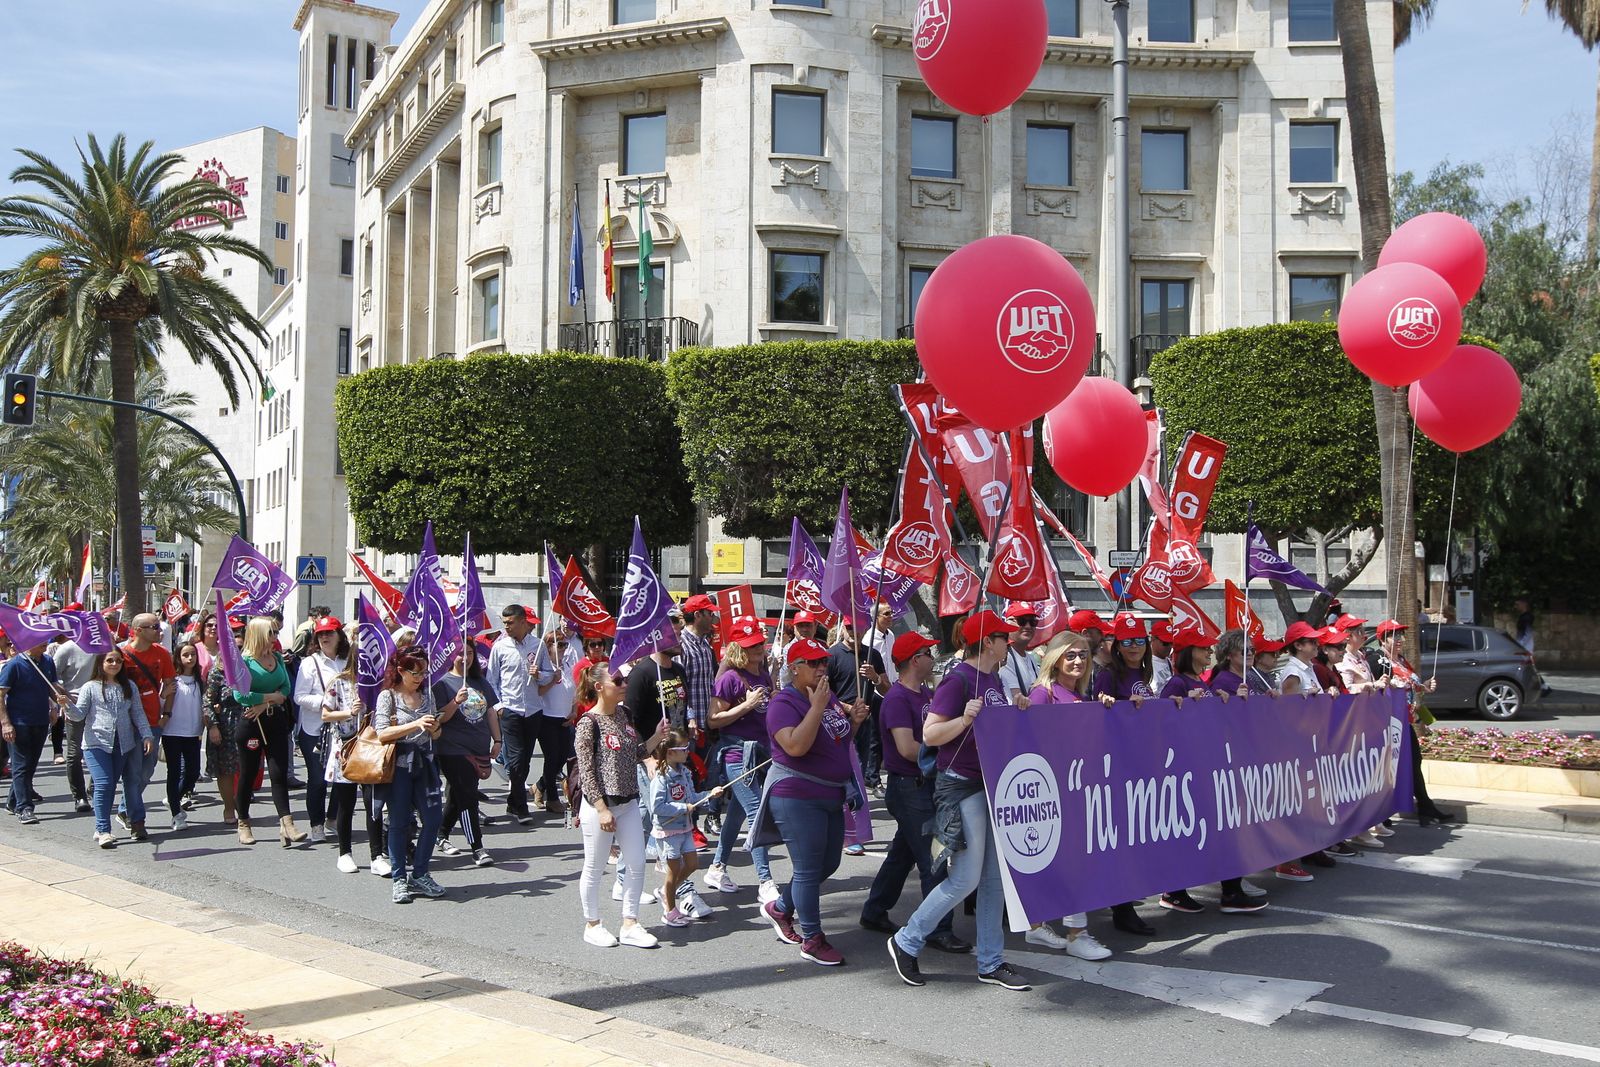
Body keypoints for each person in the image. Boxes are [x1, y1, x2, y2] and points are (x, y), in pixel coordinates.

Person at [888, 610, 1031, 991]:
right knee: (965, 879)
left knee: (993, 881)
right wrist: (965, 720)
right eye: (1004, 636)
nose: (1010, 641)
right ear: (987, 641)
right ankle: (906, 940)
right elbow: (932, 734)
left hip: (989, 786)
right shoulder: (958, 680)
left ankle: (991, 962)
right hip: (962, 786)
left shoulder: (995, 678)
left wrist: (1016, 710)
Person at [749, 637, 870, 967]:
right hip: (797, 796)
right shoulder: (783, 703)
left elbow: (837, 741)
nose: (821, 668)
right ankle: (813, 939)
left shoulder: (827, 698)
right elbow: (795, 747)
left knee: (828, 864)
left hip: (830, 793)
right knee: (807, 869)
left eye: (824, 662)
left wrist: (854, 722)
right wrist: (817, 707)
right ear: (795, 668)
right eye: (813, 663)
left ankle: (781, 908)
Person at [859, 631, 973, 955]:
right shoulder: (897, 698)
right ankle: (939, 928)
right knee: (932, 859)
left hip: (924, 786)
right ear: (914, 660)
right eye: (927, 652)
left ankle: (874, 910)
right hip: (908, 786)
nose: (932, 657)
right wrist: (945, 745)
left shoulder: (925, 693)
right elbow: (907, 749)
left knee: (902, 855)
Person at [1020, 633, 1115, 958]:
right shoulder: (1042, 694)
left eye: (1084, 654)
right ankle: (1076, 934)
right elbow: (1028, 743)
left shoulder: (1082, 695)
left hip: (1079, 791)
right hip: (1054, 794)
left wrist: (1103, 712)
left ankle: (1039, 926)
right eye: (1071, 655)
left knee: (1071, 864)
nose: (1079, 660)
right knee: (1074, 864)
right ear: (1055, 657)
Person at [574, 664, 659, 948]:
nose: (624, 685)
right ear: (599, 686)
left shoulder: (624, 714)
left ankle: (630, 923)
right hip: (601, 805)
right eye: (618, 680)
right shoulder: (588, 723)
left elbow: (636, 753)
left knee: (636, 863)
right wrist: (601, 809)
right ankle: (592, 924)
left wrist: (658, 736)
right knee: (595, 866)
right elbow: (587, 771)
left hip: (628, 800)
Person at [703, 616, 780, 902]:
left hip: (761, 753)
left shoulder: (763, 674)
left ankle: (717, 867)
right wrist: (746, 706)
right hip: (737, 754)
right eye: (752, 645)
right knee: (757, 812)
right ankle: (765, 880)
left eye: (760, 642)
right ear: (738, 649)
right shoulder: (729, 679)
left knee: (737, 812)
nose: (758, 648)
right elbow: (713, 720)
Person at [373, 649, 446, 903]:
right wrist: (414, 724)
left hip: (425, 765)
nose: (420, 677)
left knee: (433, 818)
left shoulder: (427, 695)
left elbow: (435, 736)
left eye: (424, 672)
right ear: (401, 671)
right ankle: (399, 879)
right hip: (399, 767)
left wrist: (435, 727)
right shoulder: (388, 696)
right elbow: (381, 733)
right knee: (398, 823)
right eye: (415, 672)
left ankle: (421, 873)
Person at [230, 616, 307, 848]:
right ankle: (243, 821)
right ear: (259, 634)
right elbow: (240, 695)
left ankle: (287, 823)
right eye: (271, 632)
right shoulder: (244, 661)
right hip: (251, 723)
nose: (275, 637)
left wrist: (266, 703)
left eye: (276, 632)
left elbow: (286, 688)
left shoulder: (276, 658)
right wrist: (270, 697)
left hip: (275, 719)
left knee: (278, 772)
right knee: (249, 773)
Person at [69, 650, 155, 847]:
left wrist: (147, 735)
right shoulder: (90, 687)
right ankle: (103, 829)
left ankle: (101, 827)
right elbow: (78, 715)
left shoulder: (128, 686)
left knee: (110, 786)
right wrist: (67, 706)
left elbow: (138, 714)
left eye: (118, 661)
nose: (114, 664)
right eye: (110, 660)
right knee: (104, 783)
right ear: (101, 663)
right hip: (96, 744)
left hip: (122, 745)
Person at [1373, 619, 1453, 826]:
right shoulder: (1379, 661)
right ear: (1382, 639)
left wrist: (1424, 686)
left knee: (1413, 762)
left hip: (1404, 720)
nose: (1399, 640)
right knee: (1387, 767)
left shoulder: (1401, 660)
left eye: (1400, 635)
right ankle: (1384, 812)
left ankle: (1425, 807)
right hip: (1387, 723)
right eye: (1394, 635)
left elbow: (1411, 685)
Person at [432, 641, 501, 867]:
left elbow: (490, 711)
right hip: (452, 749)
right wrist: (455, 702)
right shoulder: (442, 683)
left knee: (459, 795)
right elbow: (438, 717)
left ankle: (440, 834)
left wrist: (497, 740)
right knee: (468, 797)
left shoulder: (480, 681)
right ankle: (477, 847)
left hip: (479, 747)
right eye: (460, 653)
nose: (465, 657)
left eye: (469, 653)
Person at [647, 728, 724, 926]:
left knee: (692, 864)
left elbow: (692, 798)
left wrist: (709, 794)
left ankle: (666, 892)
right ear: (671, 752)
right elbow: (657, 807)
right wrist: (683, 808)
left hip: (685, 828)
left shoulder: (685, 773)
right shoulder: (661, 778)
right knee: (672, 871)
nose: (688, 751)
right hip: (669, 830)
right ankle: (670, 911)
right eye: (684, 748)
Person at [486, 604, 554, 826]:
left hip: (533, 710)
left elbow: (549, 675)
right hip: (511, 710)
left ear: (523, 622)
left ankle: (512, 801)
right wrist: (499, 707)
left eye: (510, 622)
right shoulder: (500, 647)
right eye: (504, 623)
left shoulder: (538, 645)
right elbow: (492, 681)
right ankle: (522, 807)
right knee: (515, 759)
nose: (506, 627)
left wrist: (540, 674)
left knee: (524, 760)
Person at [321, 653, 387, 874]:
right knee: (346, 803)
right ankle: (345, 852)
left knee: (372, 803)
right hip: (347, 749)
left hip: (371, 748)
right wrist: (350, 711)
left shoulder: (380, 684)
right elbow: (325, 714)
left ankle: (377, 855)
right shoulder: (339, 682)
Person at [293, 616, 348, 842]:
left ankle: (332, 818)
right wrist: (325, 701)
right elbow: (299, 697)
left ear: (339, 636)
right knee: (317, 779)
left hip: (343, 727)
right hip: (315, 729)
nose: (325, 637)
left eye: (330, 633)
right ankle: (316, 824)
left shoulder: (348, 660)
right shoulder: (310, 663)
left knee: (343, 777)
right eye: (321, 634)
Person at [0, 639, 66, 825]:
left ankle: (13, 801)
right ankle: (25, 807)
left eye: (45, 640)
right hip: (19, 722)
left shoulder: (46, 661)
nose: (45, 644)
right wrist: (6, 723)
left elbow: (51, 687)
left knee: (30, 765)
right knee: (21, 765)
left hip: (40, 720)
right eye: (39, 641)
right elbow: (1, 694)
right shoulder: (13, 665)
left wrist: (57, 702)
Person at [118, 613, 176, 823]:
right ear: (139, 630)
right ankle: (130, 814)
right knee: (132, 771)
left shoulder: (162, 654)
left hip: (153, 721)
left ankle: (126, 807)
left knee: (146, 771)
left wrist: (166, 714)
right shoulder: (121, 655)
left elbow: (171, 687)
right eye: (154, 627)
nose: (159, 631)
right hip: (127, 722)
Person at [827, 618, 888, 801]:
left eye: (859, 626)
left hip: (865, 720)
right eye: (849, 627)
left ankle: (857, 805)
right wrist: (848, 708)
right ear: (842, 629)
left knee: (860, 763)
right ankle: (842, 802)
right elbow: (824, 692)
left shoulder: (873, 655)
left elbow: (887, 688)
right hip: (840, 719)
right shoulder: (832, 655)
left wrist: (875, 677)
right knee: (841, 763)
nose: (854, 631)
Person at [533, 618, 580, 816]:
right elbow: (539, 692)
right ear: (548, 647)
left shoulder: (569, 664)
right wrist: (553, 678)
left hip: (565, 717)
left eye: (565, 645)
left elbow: (576, 689)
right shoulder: (542, 668)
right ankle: (552, 798)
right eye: (559, 645)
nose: (563, 648)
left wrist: (574, 710)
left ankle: (539, 786)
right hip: (547, 717)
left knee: (563, 757)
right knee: (552, 758)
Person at [161, 642, 207, 831]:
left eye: (193, 655)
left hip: (193, 732)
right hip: (172, 732)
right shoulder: (172, 681)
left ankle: (174, 798)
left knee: (193, 772)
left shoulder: (199, 682)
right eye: (185, 655)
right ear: (178, 658)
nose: (190, 658)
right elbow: (160, 701)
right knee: (174, 772)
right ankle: (176, 814)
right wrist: (164, 694)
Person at [205, 618, 247, 826]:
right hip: (225, 725)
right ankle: (229, 807)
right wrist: (212, 725)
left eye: (240, 648)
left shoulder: (247, 670)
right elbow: (208, 702)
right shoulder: (217, 673)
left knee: (246, 768)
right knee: (226, 770)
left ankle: (243, 806)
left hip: (247, 721)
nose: (237, 652)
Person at [51, 632, 96, 813]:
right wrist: (66, 697)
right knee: (75, 752)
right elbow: (52, 679)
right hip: (74, 706)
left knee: (101, 749)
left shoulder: (103, 647)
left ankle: (95, 788)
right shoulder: (66, 649)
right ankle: (79, 796)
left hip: (100, 707)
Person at [677, 594, 720, 742]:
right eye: (710, 614)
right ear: (697, 615)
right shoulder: (681, 645)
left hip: (708, 725)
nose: (713, 618)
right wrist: (691, 718)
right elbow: (679, 687)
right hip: (691, 728)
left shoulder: (706, 645)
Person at [1093, 614, 1156, 704]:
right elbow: (1099, 713)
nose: (1134, 646)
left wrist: (1171, 702)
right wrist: (1127, 705)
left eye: (1139, 641)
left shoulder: (1144, 672)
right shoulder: (1107, 676)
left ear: (1146, 644)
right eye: (1127, 642)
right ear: (1118, 646)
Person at [995, 605, 1039, 707]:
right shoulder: (1005, 657)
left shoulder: (1031, 658)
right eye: (1022, 621)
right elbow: (1017, 698)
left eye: (1032, 622)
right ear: (1008, 623)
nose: (1028, 626)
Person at [1276, 621, 1323, 697]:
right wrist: (1308, 695)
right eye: (1313, 641)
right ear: (1298, 645)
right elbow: (1288, 704)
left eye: (1317, 641)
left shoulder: (1308, 667)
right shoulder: (1293, 672)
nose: (1317, 644)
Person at [862, 603, 900, 686]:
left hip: (893, 683)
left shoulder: (890, 635)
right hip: (878, 687)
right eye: (887, 614)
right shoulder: (868, 640)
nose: (891, 616)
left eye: (891, 612)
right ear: (876, 617)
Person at [1149, 620, 1176, 694]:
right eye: (1165, 643)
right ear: (1153, 639)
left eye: (1171, 643)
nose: (1169, 647)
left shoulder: (1168, 661)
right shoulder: (1146, 663)